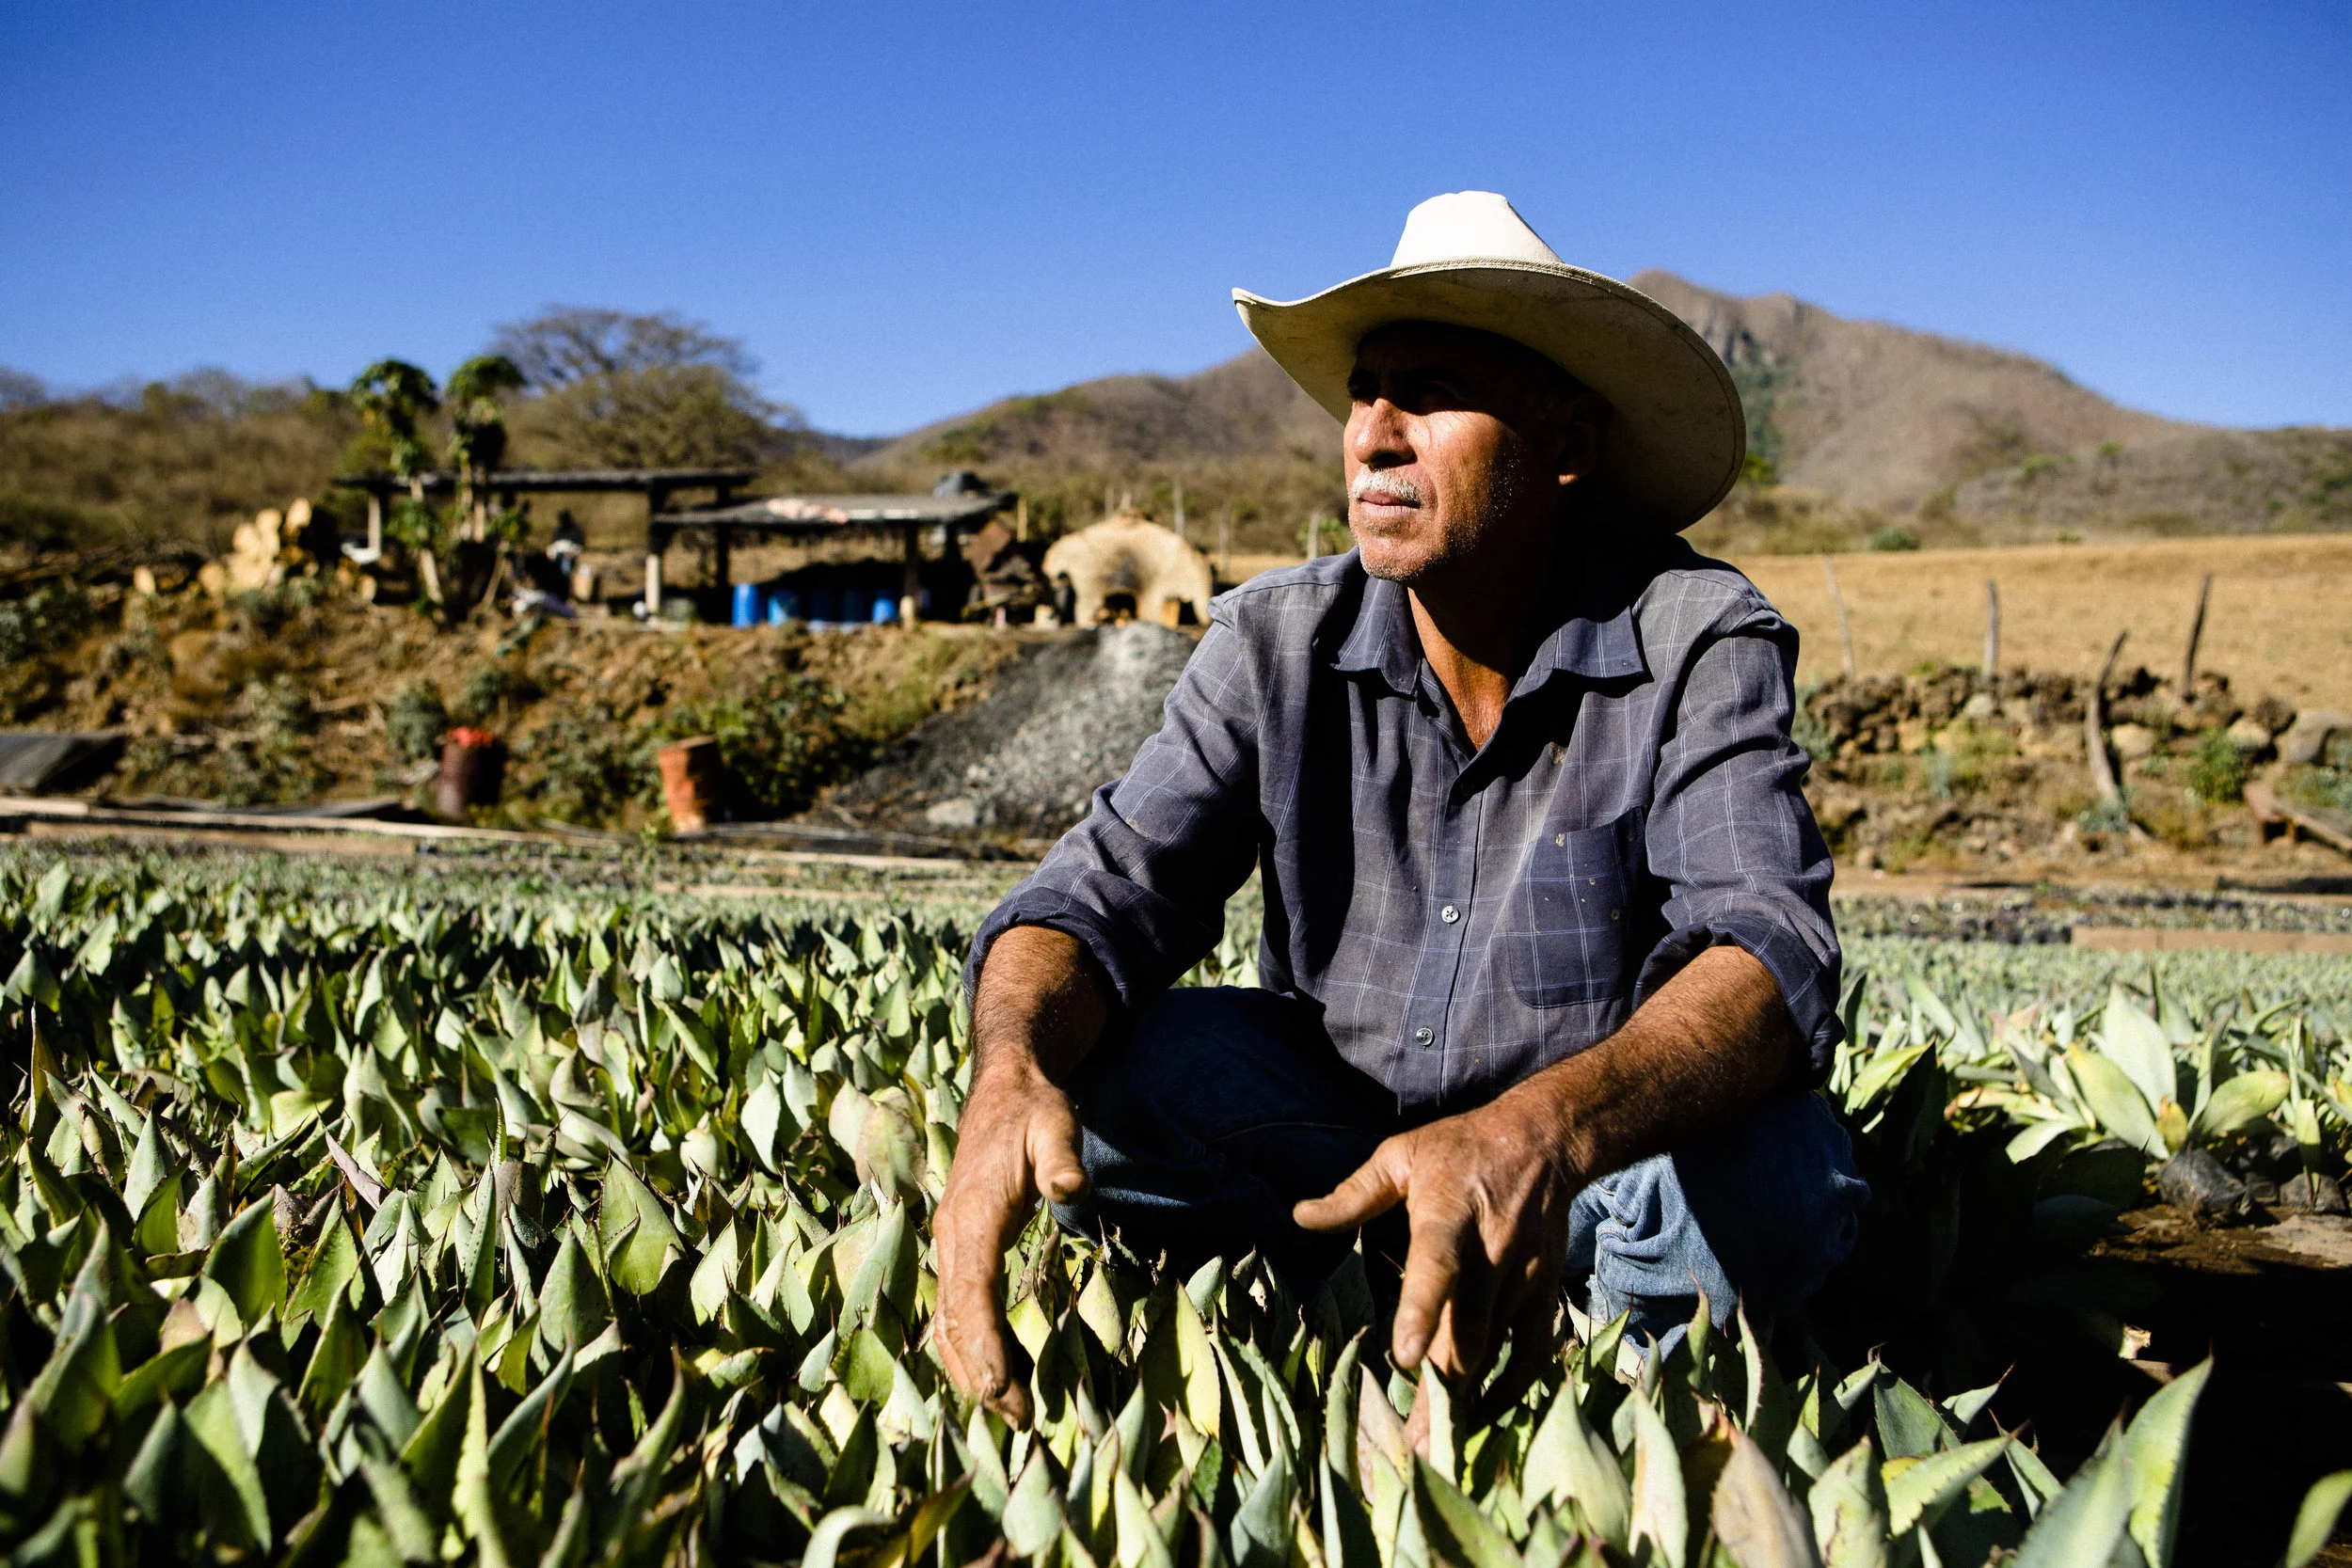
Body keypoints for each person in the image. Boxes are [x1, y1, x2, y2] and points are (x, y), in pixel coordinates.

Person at [933, 192, 1867, 1430]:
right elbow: (1103, 888)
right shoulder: (1274, 638)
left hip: (1585, 1167)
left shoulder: (1696, 636)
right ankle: (1359, 1283)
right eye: (1363, 393)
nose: (1373, 435)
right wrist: (1010, 1068)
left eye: (1430, 393)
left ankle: (1597, 1370)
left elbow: (1767, 942)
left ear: (1565, 442)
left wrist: (1534, 1134)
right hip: (1333, 1137)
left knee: (1776, 1181)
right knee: (1105, 1084)